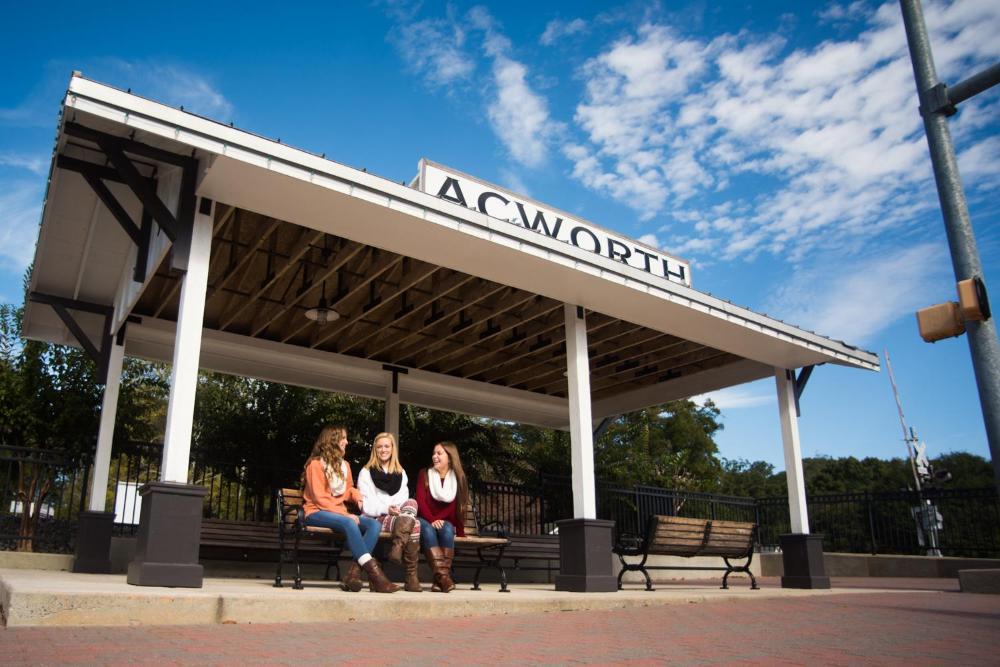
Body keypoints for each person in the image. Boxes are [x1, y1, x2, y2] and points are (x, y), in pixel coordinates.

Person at [301, 425, 399, 593]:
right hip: (315, 512)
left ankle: (353, 574)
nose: (347, 442)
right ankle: (376, 576)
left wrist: (358, 498)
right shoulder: (315, 465)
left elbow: (348, 490)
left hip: (338, 514)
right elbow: (319, 498)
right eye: (344, 438)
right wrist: (344, 514)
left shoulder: (344, 465)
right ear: (333, 440)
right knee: (349, 522)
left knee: (374, 525)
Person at [357, 432, 422, 593]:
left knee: (412, 502)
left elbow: (403, 500)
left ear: (392, 449)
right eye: (379, 447)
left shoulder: (401, 472)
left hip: (398, 518)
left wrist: (396, 510)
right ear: (375, 450)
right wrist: (387, 509)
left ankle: (398, 546)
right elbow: (366, 505)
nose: (383, 450)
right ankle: (411, 577)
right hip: (375, 518)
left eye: (387, 446)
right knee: (415, 524)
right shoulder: (366, 472)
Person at [415, 441, 469, 593]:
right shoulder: (424, 474)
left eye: (439, 453)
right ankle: (444, 578)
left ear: (450, 458)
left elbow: (457, 505)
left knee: (447, 529)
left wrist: (460, 531)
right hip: (424, 519)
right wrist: (432, 520)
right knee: (428, 529)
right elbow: (421, 502)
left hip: (445, 521)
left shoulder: (458, 477)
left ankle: (438, 581)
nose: (434, 456)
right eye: (434, 453)